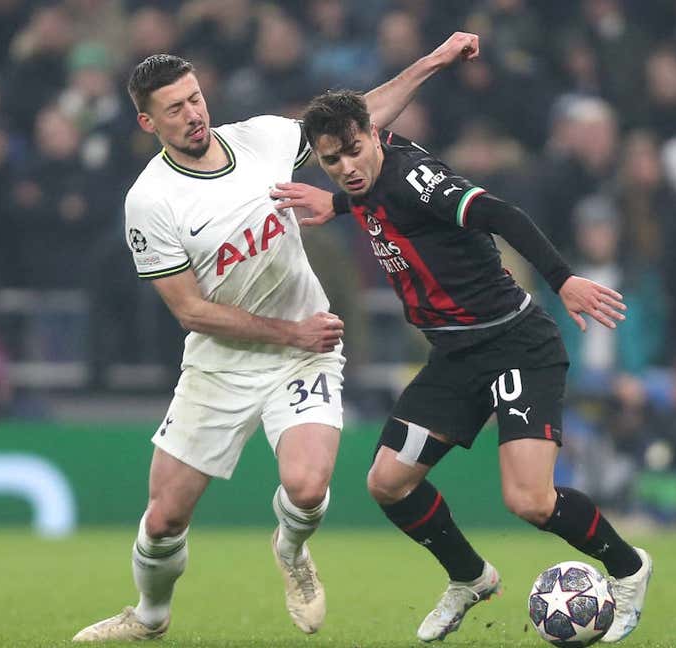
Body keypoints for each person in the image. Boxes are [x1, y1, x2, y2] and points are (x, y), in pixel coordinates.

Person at [72, 33, 484, 642]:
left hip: (304, 352)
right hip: (222, 363)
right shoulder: (150, 201)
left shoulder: (259, 138)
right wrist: (290, 330)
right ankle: (150, 616)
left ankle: (291, 551)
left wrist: (432, 61)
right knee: (163, 519)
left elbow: (357, 122)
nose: (193, 114)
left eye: (195, 99)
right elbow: (190, 311)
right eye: (175, 109)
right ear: (146, 121)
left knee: (307, 486)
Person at [272, 90, 652, 643]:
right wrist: (335, 205)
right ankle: (470, 577)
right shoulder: (369, 179)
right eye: (332, 161)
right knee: (388, 483)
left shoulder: (415, 181)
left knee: (529, 500)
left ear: (375, 135)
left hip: (516, 344)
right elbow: (370, 194)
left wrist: (562, 278)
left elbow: (501, 214)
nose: (345, 168)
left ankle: (628, 568)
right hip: (455, 356)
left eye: (353, 151)